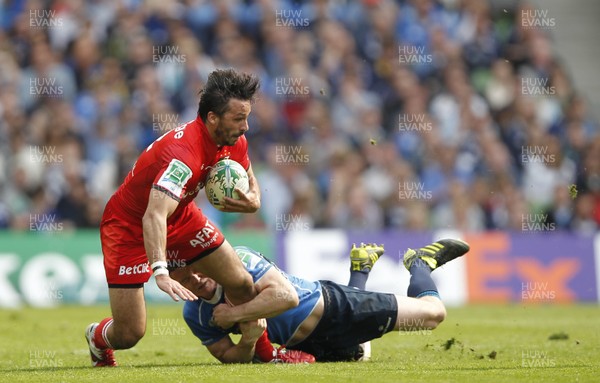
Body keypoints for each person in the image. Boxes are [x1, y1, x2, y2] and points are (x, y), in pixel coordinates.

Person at [85, 69, 284, 366]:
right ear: (212, 118)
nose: (246, 126)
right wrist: (161, 271)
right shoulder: (183, 155)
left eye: (247, 117)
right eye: (238, 119)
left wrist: (254, 198)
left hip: (181, 216)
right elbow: (153, 215)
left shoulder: (233, 140)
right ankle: (97, 336)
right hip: (128, 227)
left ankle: (267, 356)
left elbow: (247, 172)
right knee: (130, 333)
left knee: (242, 283)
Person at [178, 238, 470, 363]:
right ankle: (361, 268)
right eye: (185, 279)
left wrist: (234, 315)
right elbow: (230, 359)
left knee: (433, 316)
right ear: (175, 282)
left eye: (195, 269)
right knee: (361, 355)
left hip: (330, 306)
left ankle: (420, 262)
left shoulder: (237, 259)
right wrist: (246, 343)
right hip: (305, 343)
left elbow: (285, 297)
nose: (195, 279)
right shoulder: (195, 314)